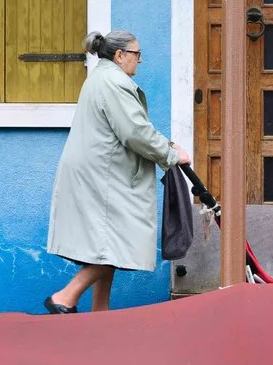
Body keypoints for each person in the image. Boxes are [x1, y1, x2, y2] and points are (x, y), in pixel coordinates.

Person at [43, 31, 188, 314]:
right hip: (106, 176)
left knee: (107, 242)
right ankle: (65, 297)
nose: (140, 60)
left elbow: (132, 128)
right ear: (120, 55)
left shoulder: (101, 78)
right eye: (137, 54)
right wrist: (170, 154)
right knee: (118, 239)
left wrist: (166, 146)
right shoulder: (114, 83)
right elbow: (135, 132)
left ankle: (100, 309)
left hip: (99, 172)